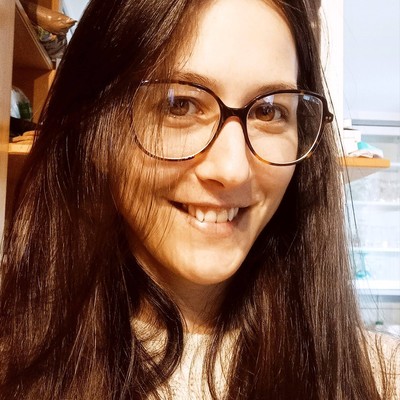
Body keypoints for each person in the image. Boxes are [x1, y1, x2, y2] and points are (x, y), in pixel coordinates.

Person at [1, 0, 399, 398]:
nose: (233, 169)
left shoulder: (380, 378)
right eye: (180, 105)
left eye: (269, 111)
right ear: (93, 127)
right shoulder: (13, 367)